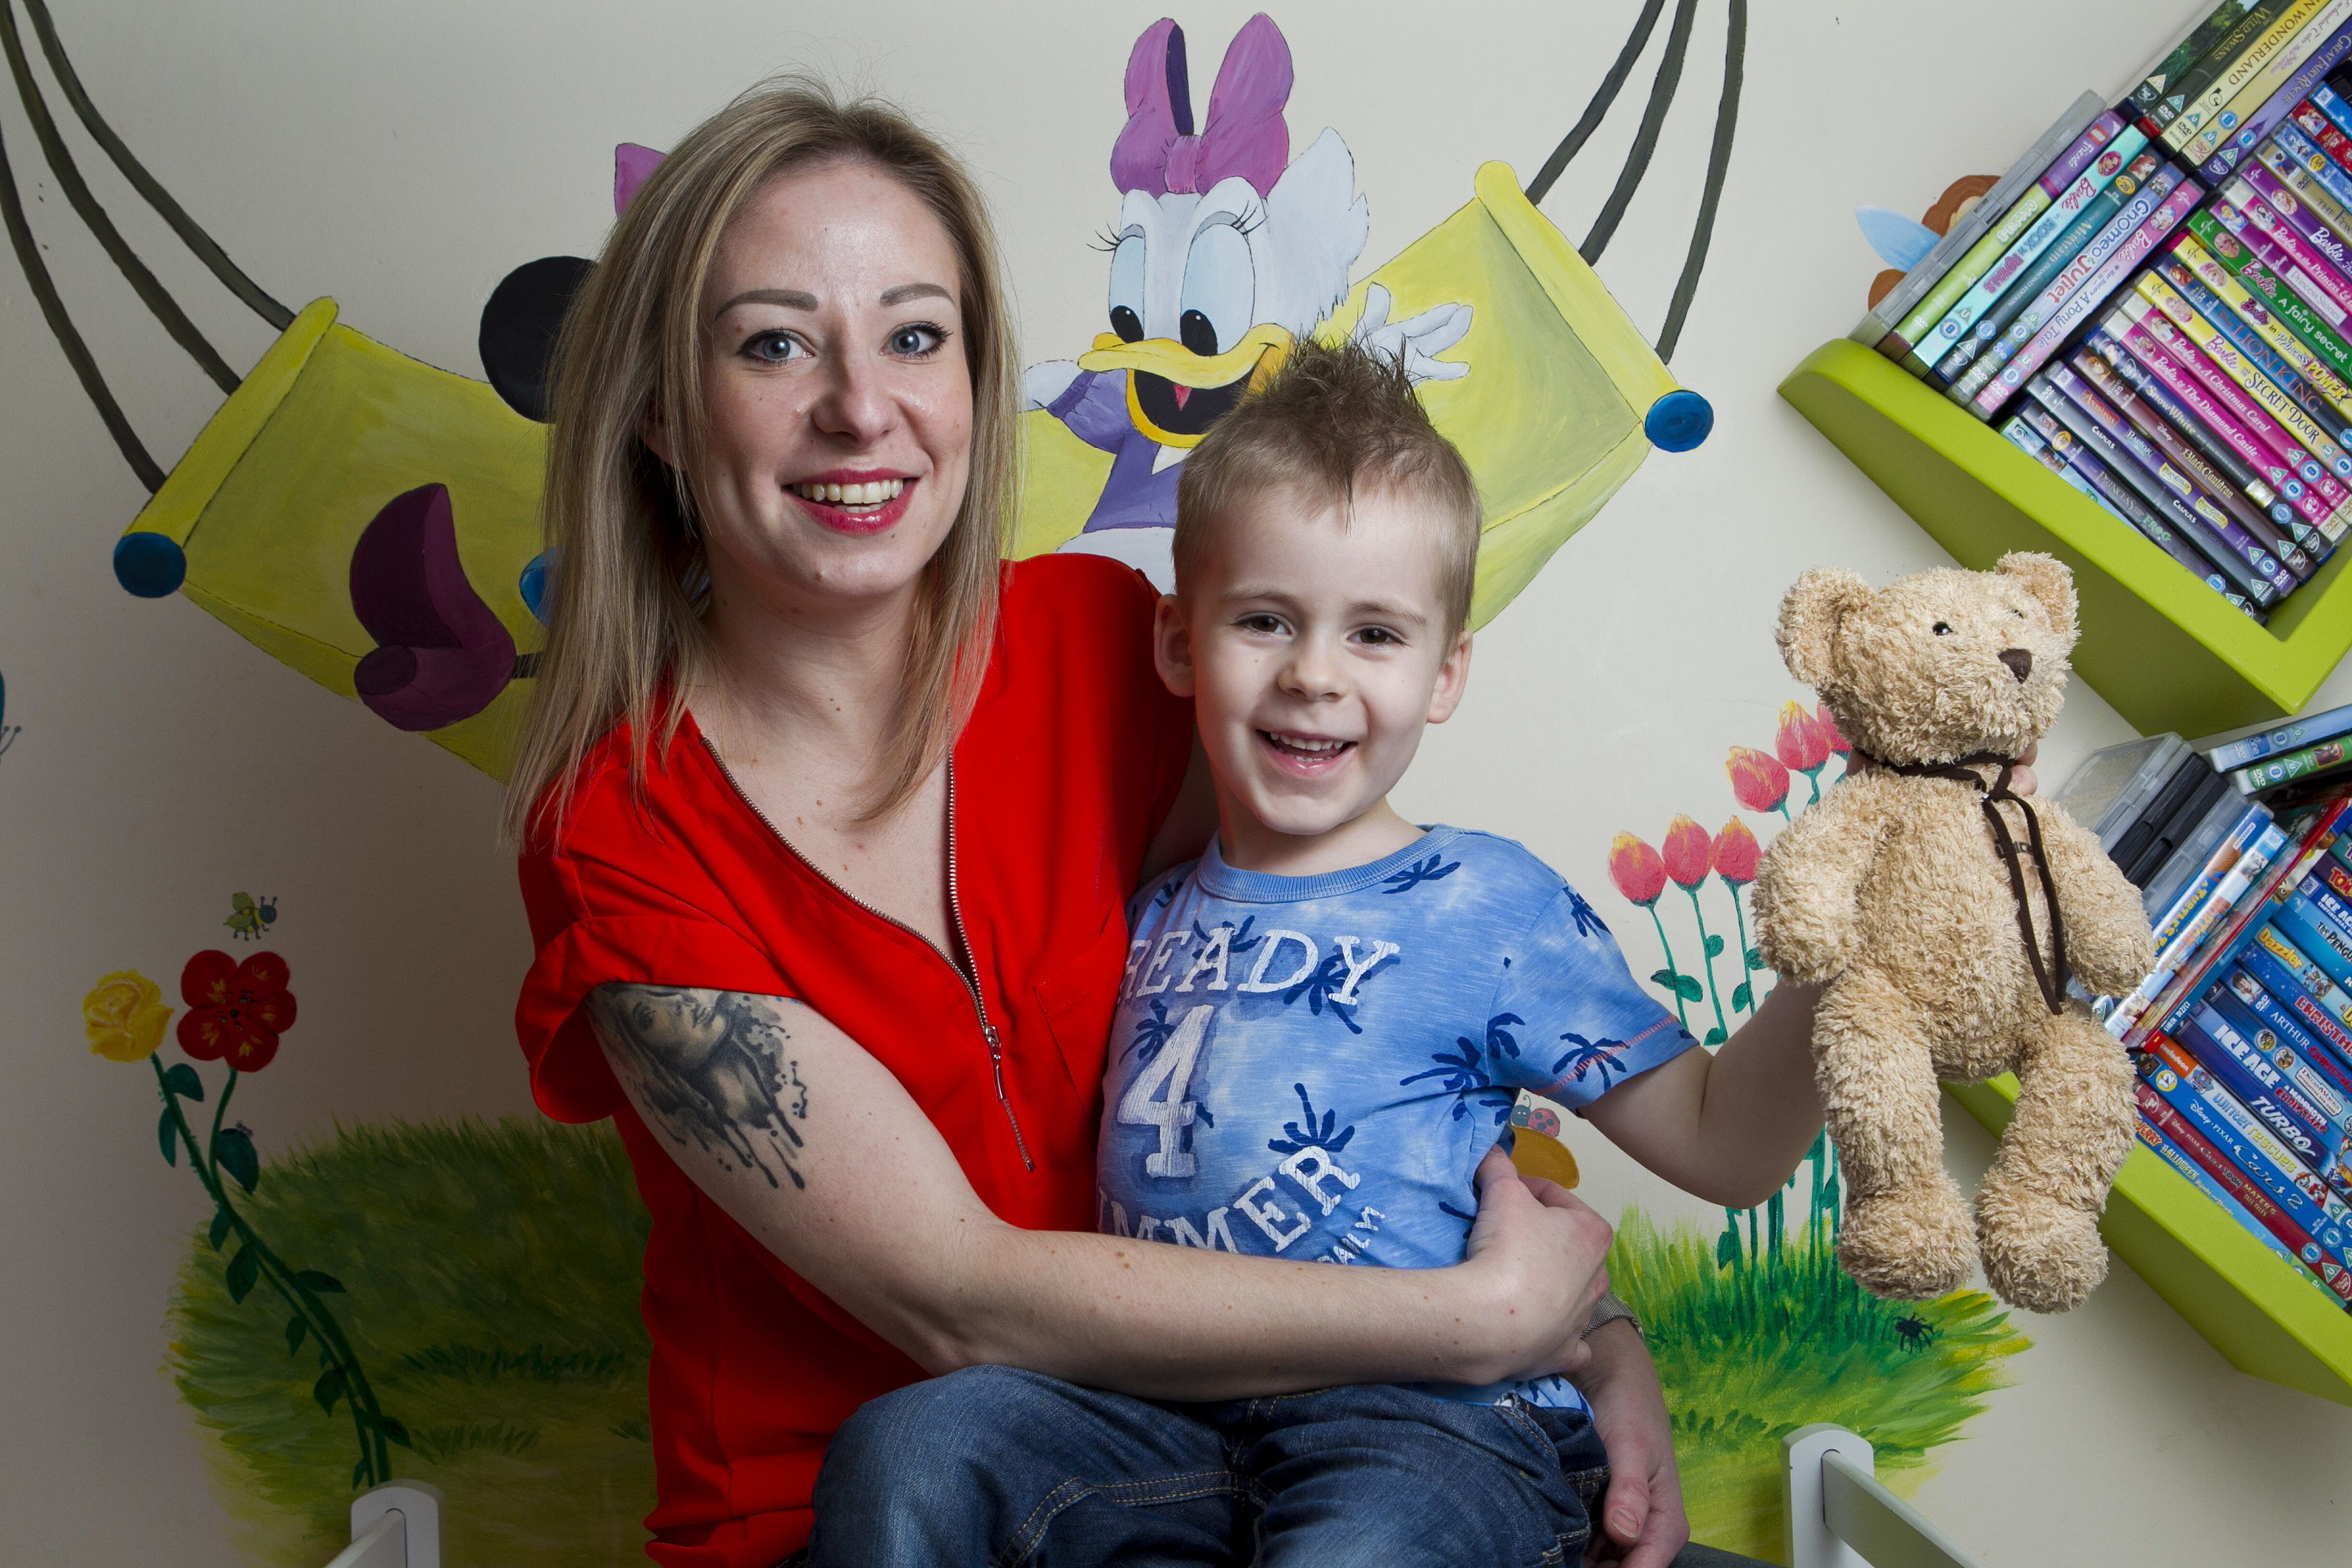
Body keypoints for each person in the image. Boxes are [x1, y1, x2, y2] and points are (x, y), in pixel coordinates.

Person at [507, 78, 1723, 1568]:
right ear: (655, 413)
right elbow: (956, 1299)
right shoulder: (620, 833)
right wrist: (1481, 1325)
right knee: (913, 1453)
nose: (859, 406)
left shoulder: (1103, 641)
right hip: (881, 1511)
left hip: (1259, 1450)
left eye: (914, 335)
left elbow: (1376, 978)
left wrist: (1586, 1340)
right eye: (774, 343)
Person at [806, 338, 1834, 1566]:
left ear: (1447, 672)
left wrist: (1860, 963)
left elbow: (1727, 1143)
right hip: (1161, 1420)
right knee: (910, 1447)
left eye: (1376, 636)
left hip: (1426, 1423)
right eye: (1265, 621)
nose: (1312, 675)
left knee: (1361, 1548)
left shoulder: (1483, 904)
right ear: (1180, 646)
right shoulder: (1138, 913)